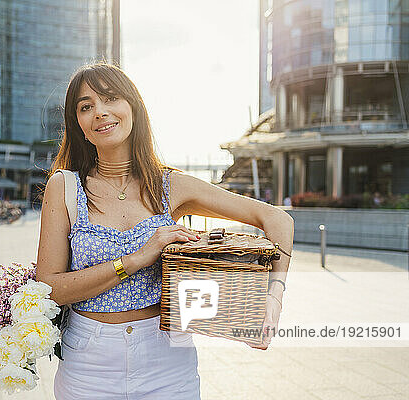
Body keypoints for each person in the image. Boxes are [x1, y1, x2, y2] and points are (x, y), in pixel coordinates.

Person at [35, 63, 294, 399]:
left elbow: (277, 220)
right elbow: (49, 287)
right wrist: (137, 258)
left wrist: (273, 299)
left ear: (133, 108)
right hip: (88, 363)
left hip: (167, 362)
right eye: (86, 106)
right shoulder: (65, 187)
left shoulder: (171, 185)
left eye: (110, 98)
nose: (100, 112)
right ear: (79, 126)